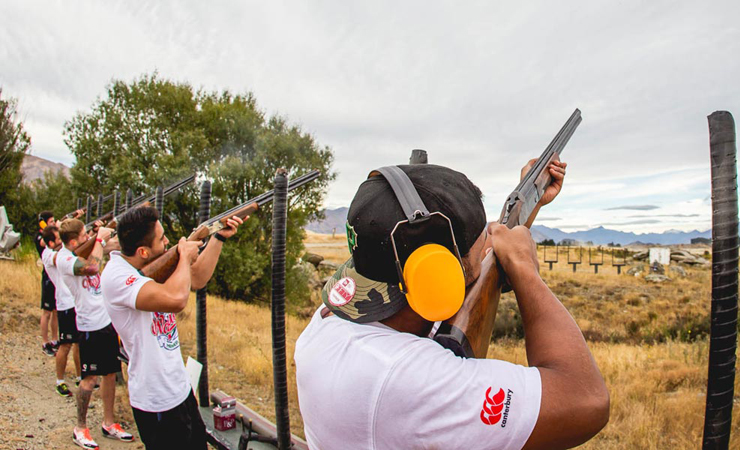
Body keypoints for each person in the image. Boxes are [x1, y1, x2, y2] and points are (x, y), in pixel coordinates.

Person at [294, 160, 609, 450]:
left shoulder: (325, 325)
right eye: (483, 238)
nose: (490, 243)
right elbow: (586, 400)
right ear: (439, 276)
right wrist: (522, 265)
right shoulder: (409, 381)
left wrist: (528, 202)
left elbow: (468, 267)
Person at [101, 206, 246, 450]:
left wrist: (217, 237)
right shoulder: (116, 276)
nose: (168, 241)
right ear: (143, 251)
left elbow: (197, 279)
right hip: (155, 400)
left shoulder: (150, 261)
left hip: (179, 388)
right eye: (162, 238)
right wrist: (184, 254)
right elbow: (176, 300)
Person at [57, 218, 133, 449]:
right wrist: (99, 238)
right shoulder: (64, 259)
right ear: (72, 241)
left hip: (107, 321)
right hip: (89, 326)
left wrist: (116, 231)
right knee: (89, 380)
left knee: (110, 374)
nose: (87, 238)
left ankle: (108, 423)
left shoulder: (86, 249)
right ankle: (80, 428)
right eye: (83, 236)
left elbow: (111, 247)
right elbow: (91, 267)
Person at [41, 225, 81, 397]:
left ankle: (81, 376)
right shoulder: (48, 254)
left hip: (76, 301)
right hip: (65, 304)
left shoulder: (61, 252)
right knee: (65, 345)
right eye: (59, 239)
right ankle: (60, 381)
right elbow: (62, 258)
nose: (61, 242)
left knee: (79, 343)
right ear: (51, 242)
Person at [35, 211, 59, 356]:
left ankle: (55, 339)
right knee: (47, 312)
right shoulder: (40, 235)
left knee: (56, 311)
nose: (53, 223)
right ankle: (45, 341)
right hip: (47, 277)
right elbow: (43, 242)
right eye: (51, 221)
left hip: (56, 275)